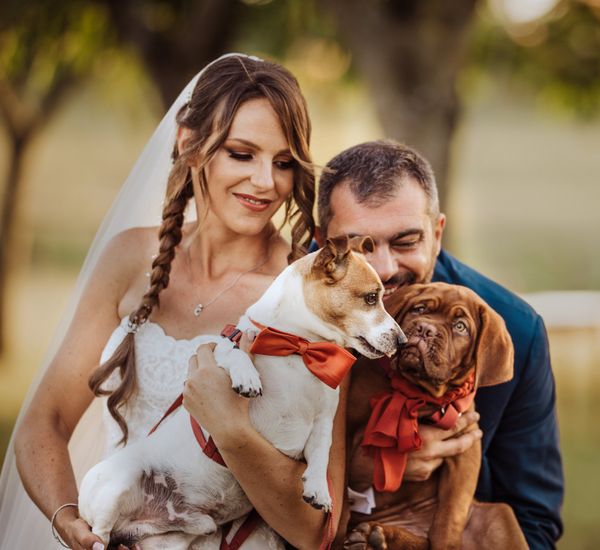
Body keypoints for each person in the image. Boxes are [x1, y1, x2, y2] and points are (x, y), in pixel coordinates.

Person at [0, 54, 341, 549]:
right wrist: (70, 521)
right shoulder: (129, 258)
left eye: (284, 162)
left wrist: (231, 430)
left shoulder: (307, 302)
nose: (266, 182)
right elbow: (44, 421)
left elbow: (316, 531)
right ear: (190, 144)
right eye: (242, 154)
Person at [313, 140, 564, 548]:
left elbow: (533, 520)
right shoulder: (281, 310)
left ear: (437, 233)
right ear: (322, 239)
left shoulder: (514, 330)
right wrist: (359, 468)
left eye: (406, 241)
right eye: (360, 245)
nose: (383, 269)